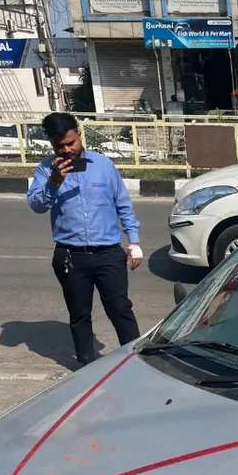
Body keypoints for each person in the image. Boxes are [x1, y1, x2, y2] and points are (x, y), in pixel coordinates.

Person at [27, 112, 143, 368]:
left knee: (120, 309)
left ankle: (135, 363)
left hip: (108, 253)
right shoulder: (46, 170)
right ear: (52, 144)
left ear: (79, 135)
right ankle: (86, 365)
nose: (67, 150)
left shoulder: (103, 165)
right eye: (60, 146)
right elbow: (36, 205)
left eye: (71, 143)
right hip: (70, 256)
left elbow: (123, 204)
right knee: (79, 314)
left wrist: (134, 242)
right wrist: (53, 183)